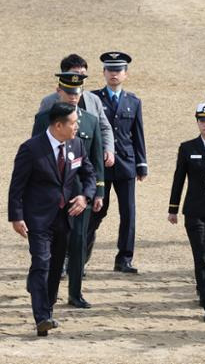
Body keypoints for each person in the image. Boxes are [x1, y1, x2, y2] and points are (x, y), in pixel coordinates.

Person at [9, 102, 96, 336]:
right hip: (37, 218)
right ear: (58, 125)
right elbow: (17, 186)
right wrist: (16, 217)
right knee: (42, 263)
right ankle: (41, 318)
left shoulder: (76, 145)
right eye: (73, 123)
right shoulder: (31, 148)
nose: (77, 127)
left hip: (64, 218)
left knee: (56, 267)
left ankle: (47, 311)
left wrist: (84, 197)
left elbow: (89, 174)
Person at [33, 72, 104, 309]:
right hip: (51, 196)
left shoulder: (90, 121)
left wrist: (95, 193)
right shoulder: (44, 119)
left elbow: (95, 162)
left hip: (79, 195)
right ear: (59, 91)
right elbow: (36, 155)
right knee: (49, 246)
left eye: (78, 92)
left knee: (78, 242)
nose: (74, 97)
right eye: (69, 92)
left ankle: (75, 293)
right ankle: (42, 289)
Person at [88, 52, 147, 274]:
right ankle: (79, 256)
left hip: (126, 163)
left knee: (128, 212)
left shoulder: (133, 101)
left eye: (119, 70)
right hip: (100, 165)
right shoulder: (93, 99)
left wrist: (142, 164)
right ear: (103, 73)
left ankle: (124, 259)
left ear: (125, 74)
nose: (114, 74)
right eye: (110, 70)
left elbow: (137, 134)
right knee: (96, 210)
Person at [168, 103, 205, 322]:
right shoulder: (188, 147)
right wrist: (173, 209)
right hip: (195, 211)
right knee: (202, 257)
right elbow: (178, 179)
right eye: (202, 120)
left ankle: (204, 285)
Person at [39, 54, 114, 168]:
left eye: (83, 74)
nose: (80, 77)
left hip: (88, 160)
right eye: (75, 73)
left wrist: (109, 149)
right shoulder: (49, 102)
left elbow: (104, 127)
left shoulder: (94, 100)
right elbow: (41, 130)